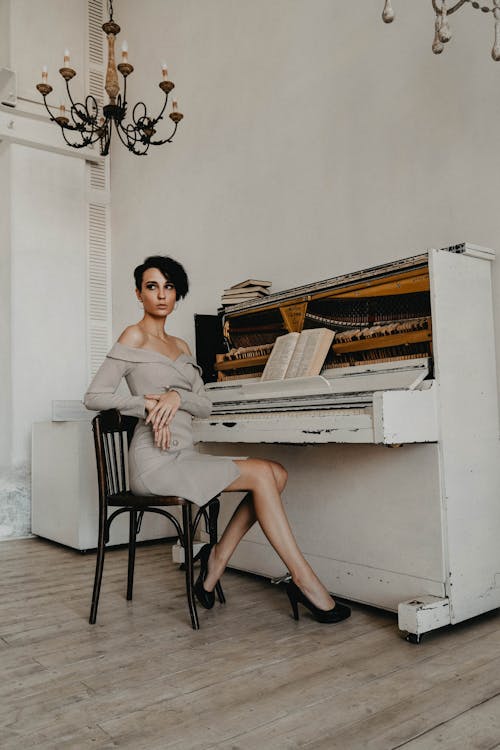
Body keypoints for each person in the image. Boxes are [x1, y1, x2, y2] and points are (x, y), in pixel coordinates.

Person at [84, 255, 351, 624]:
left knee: (276, 473)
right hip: (153, 461)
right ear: (138, 293)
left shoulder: (181, 345)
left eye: (169, 287)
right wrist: (147, 402)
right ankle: (305, 582)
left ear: (177, 294)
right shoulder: (134, 336)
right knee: (261, 475)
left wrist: (177, 397)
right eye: (152, 286)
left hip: (185, 454)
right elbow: (94, 397)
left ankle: (214, 563)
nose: (161, 295)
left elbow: (205, 406)